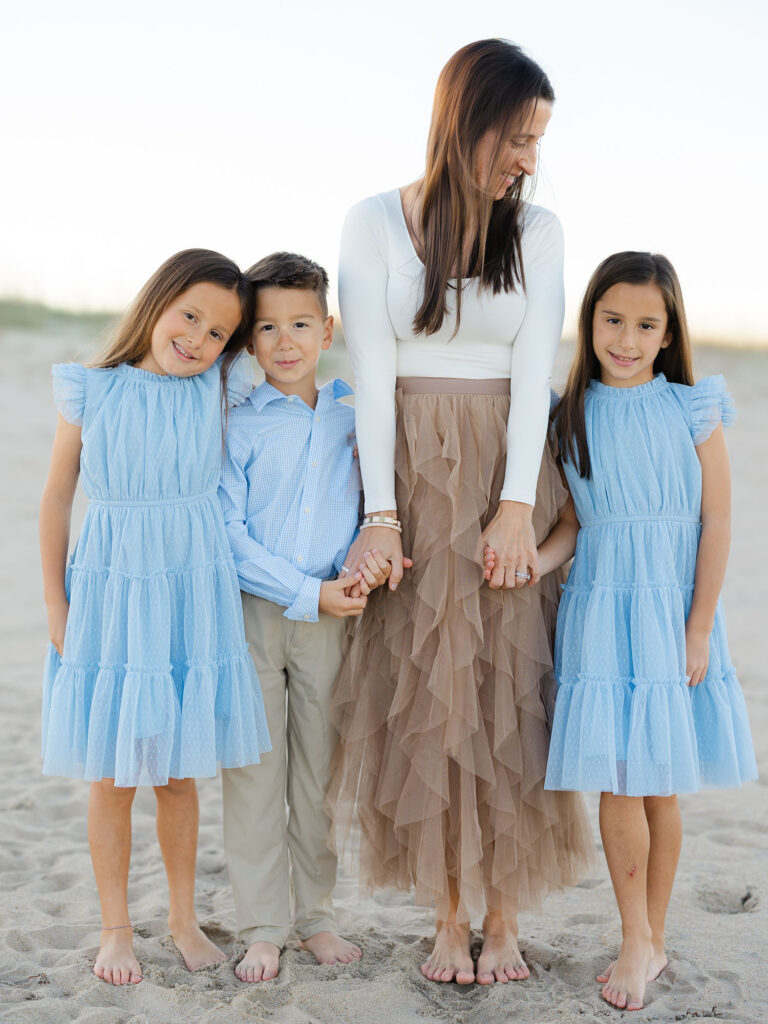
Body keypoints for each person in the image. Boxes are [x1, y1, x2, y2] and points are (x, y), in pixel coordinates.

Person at [327, 39, 594, 986]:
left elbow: (536, 377)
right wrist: (383, 514)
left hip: (504, 467)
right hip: (406, 469)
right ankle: (446, 914)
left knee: (509, 689)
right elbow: (368, 372)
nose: (529, 157)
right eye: (518, 136)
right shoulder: (373, 220)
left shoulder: (541, 231)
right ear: (466, 119)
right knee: (428, 698)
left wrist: (518, 506)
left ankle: (507, 917)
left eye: (537, 140)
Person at [39, 249, 271, 986]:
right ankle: (115, 929)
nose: (198, 339)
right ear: (158, 302)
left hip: (189, 596)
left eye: (217, 333)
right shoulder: (93, 390)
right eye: (190, 316)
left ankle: (180, 917)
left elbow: (290, 341)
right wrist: (55, 602)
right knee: (113, 775)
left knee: (176, 775)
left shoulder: (220, 386)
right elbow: (54, 499)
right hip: (111, 596)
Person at [538, 251, 757, 1011]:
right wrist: (531, 561)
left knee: (660, 785)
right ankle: (634, 935)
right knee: (619, 779)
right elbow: (577, 521)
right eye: (612, 320)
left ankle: (652, 939)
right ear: (590, 320)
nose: (625, 339)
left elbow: (718, 520)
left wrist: (698, 627)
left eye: (645, 325)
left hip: (670, 611)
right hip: (601, 607)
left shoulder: (691, 407)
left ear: (668, 333)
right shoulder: (571, 412)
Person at [218, 252, 397, 983]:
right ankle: (264, 924)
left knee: (320, 773)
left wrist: (362, 570)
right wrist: (304, 591)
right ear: (249, 340)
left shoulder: (360, 416)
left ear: (328, 329)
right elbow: (225, 535)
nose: (285, 341)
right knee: (255, 774)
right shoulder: (237, 423)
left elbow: (380, 511)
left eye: (300, 324)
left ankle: (316, 916)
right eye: (266, 328)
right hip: (255, 614)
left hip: (334, 617)